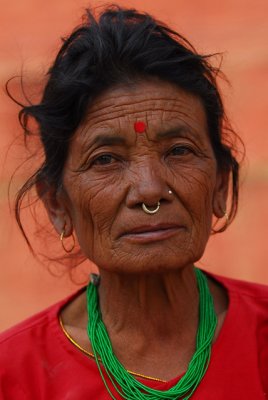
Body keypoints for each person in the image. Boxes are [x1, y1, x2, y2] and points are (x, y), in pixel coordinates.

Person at [0, 5, 267, 399]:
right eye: (105, 159)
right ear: (58, 205)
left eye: (179, 150)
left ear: (220, 185)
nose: (149, 191)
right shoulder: (15, 375)